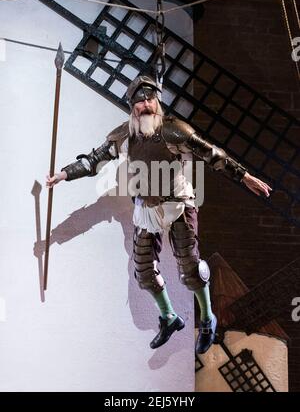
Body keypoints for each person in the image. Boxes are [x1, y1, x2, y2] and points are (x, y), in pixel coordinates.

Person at [46, 75, 272, 354]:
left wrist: (244, 176)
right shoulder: (123, 136)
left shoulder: (174, 131)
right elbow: (93, 161)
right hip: (146, 207)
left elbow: (213, 155)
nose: (146, 105)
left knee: (189, 268)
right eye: (140, 101)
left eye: (150, 99)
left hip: (178, 203)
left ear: (157, 102)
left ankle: (206, 318)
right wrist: (63, 174)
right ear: (132, 107)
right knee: (143, 271)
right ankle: (169, 317)